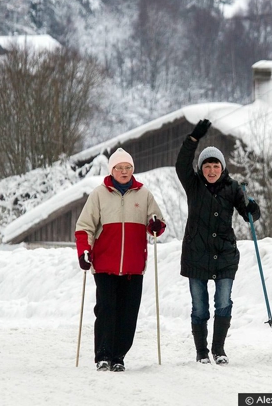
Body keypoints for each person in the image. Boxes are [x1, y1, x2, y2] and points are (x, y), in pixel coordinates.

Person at [176, 119, 260, 365]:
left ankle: (219, 349)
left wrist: (253, 210)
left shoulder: (233, 188)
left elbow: (249, 215)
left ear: (222, 168)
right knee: (200, 307)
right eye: (207, 166)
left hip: (224, 254)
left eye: (215, 166)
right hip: (196, 253)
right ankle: (202, 352)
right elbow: (182, 164)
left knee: (223, 302)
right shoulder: (193, 186)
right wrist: (193, 139)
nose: (211, 170)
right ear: (201, 168)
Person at [75, 148, 166, 372]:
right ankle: (103, 355)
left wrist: (155, 225)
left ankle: (119, 356)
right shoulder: (99, 194)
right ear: (112, 170)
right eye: (119, 168)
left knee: (128, 313)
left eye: (128, 168)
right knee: (106, 309)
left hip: (133, 266)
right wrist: (84, 251)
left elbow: (157, 222)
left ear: (132, 170)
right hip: (105, 264)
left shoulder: (144, 194)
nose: (124, 172)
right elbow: (84, 227)